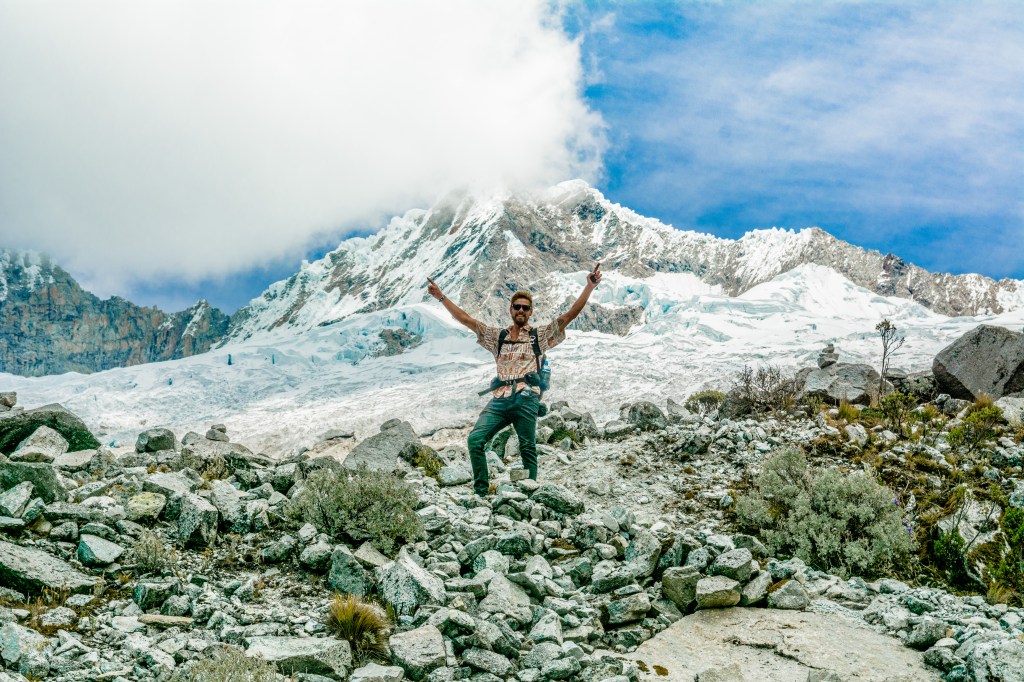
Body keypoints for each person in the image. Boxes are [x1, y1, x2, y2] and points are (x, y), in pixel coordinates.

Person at [427, 264, 603, 496]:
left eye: (525, 308)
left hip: (526, 398)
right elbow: (465, 319)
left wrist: (589, 287)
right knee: (475, 439)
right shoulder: (497, 337)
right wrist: (441, 297)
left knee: (527, 446)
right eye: (517, 306)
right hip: (500, 399)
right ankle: (481, 491)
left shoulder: (538, 336)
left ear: (530, 312)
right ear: (510, 309)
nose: (521, 310)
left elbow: (569, 316)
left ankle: (530, 491)